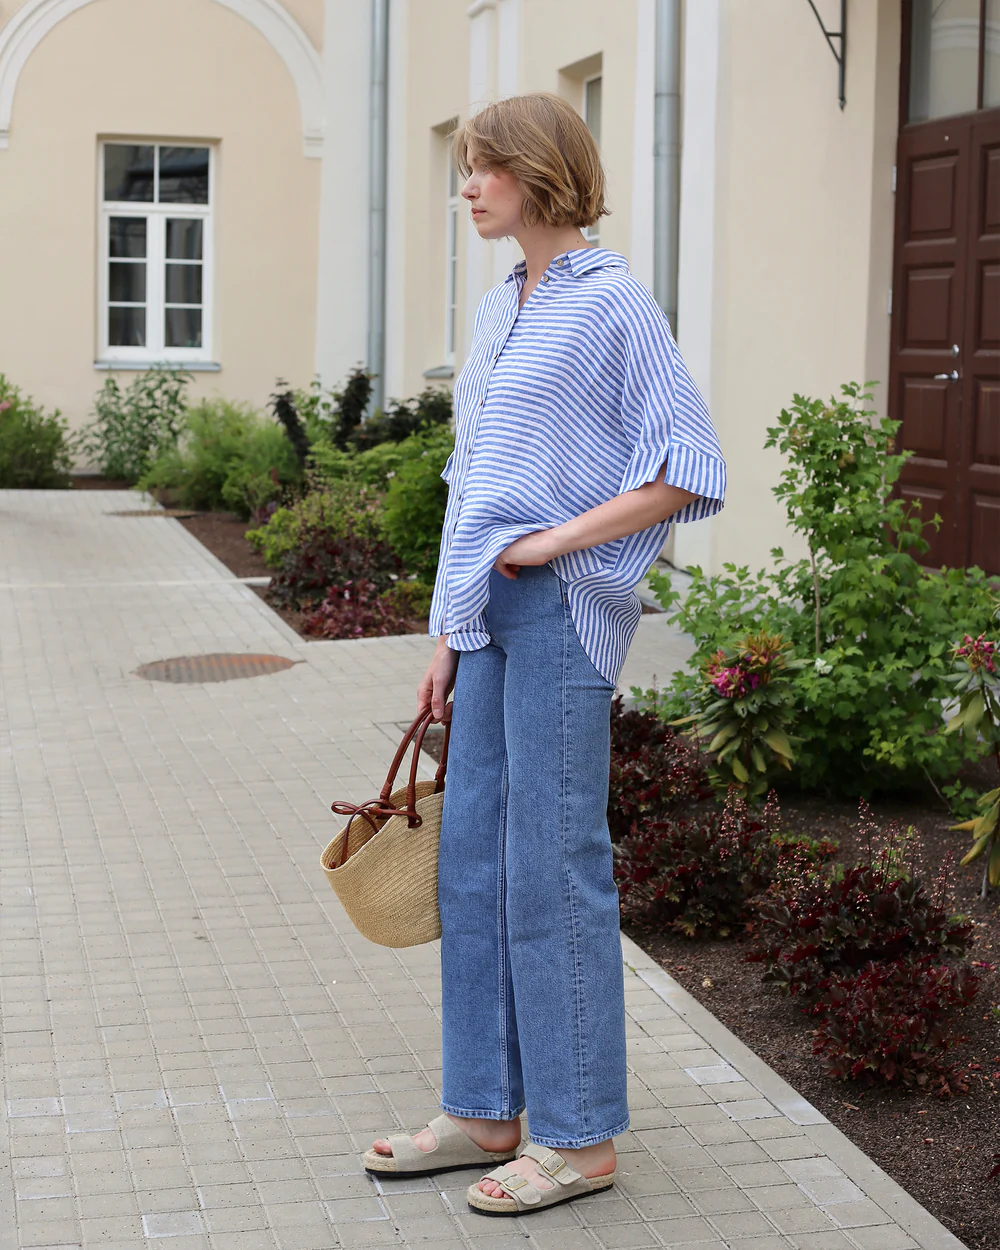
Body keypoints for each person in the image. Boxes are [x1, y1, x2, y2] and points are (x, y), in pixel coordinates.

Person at [364, 92, 725, 1217]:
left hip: (562, 612)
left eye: (481, 168)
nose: (465, 186)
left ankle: (576, 1135)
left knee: (551, 866)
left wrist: (556, 544)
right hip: (483, 616)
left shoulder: (613, 305)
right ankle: (483, 1107)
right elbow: (473, 480)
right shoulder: (497, 307)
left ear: (536, 173)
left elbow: (688, 463)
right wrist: (441, 630)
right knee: (472, 858)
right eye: (463, 168)